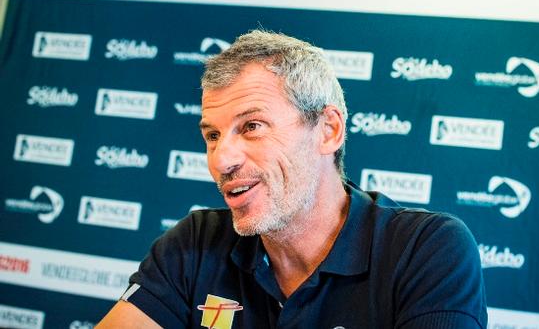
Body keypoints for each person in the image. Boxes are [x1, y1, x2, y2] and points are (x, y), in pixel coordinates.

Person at [97, 30, 487, 328]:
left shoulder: (425, 249)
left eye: (251, 126)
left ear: (328, 130)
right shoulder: (195, 242)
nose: (222, 160)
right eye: (212, 136)